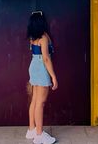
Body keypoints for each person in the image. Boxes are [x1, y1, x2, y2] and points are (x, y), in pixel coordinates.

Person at [25, 11, 58, 144]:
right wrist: (53, 77)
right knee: (41, 103)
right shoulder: (44, 38)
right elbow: (45, 58)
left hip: (33, 65)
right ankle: (39, 135)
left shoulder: (33, 37)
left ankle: (31, 129)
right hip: (41, 68)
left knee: (34, 100)